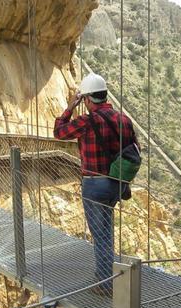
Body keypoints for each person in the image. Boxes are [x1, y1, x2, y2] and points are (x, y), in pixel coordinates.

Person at [54, 73, 137, 295]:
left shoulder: (86, 121)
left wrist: (71, 107)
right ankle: (108, 275)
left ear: (88, 100)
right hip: (117, 184)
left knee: (100, 235)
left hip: (95, 184)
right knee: (106, 231)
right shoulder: (124, 120)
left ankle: (105, 284)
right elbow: (133, 151)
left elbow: (59, 132)